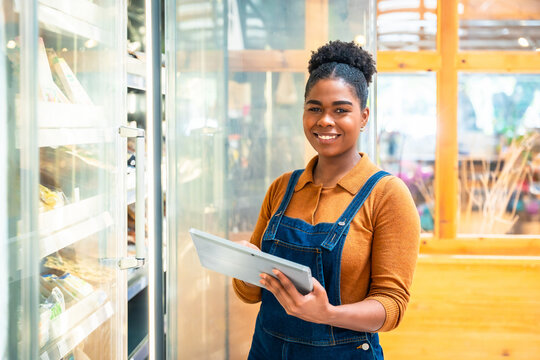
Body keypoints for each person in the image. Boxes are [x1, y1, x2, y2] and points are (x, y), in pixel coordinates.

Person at [232, 40, 420, 360]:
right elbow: (251, 295)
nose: (325, 120)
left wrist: (327, 314)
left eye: (341, 110)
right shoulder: (282, 188)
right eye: (315, 108)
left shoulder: (387, 195)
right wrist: (243, 265)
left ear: (363, 116)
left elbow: (391, 306)